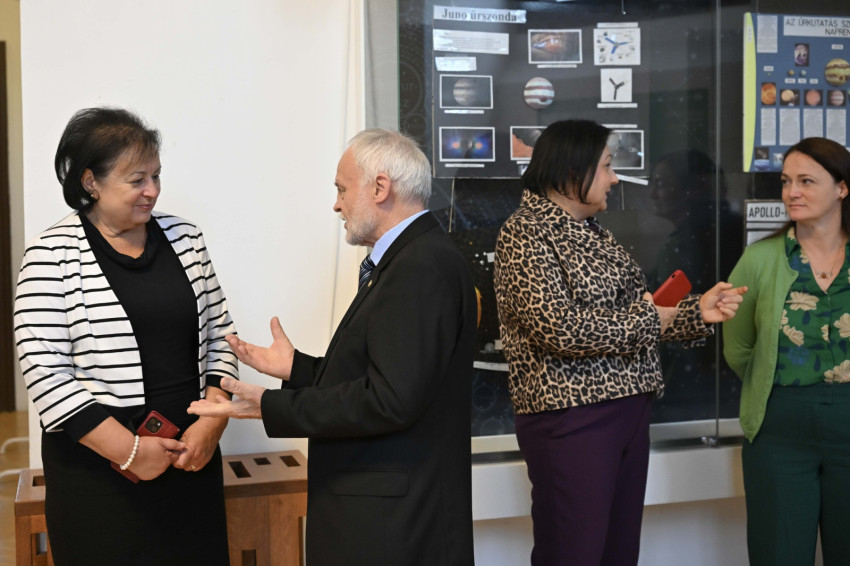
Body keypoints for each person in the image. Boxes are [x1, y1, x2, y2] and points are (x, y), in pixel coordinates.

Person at [189, 128, 477, 566]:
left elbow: (389, 400)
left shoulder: (420, 265)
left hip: (394, 525)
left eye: (342, 189)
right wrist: (298, 369)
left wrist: (271, 406)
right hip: (387, 514)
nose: (337, 205)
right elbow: (389, 377)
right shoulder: (411, 258)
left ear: (380, 188)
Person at [493, 119, 746, 566]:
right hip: (573, 417)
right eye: (608, 167)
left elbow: (635, 315)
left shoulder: (594, 231)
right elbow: (560, 328)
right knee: (573, 553)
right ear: (574, 171)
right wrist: (649, 316)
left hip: (626, 409)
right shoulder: (526, 232)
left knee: (619, 551)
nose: (614, 179)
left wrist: (695, 311)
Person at [14, 107, 237, 565]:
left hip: (190, 460)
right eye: (137, 180)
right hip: (99, 478)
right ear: (91, 182)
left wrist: (213, 422)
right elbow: (45, 374)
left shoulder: (186, 238)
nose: (152, 190)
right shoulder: (50, 254)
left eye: (156, 176)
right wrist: (132, 452)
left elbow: (221, 335)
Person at [723, 137, 850, 566]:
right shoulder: (759, 259)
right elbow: (739, 346)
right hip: (779, 429)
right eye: (785, 181)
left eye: (806, 181)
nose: (792, 192)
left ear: (842, 188)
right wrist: (771, 385)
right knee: (779, 553)